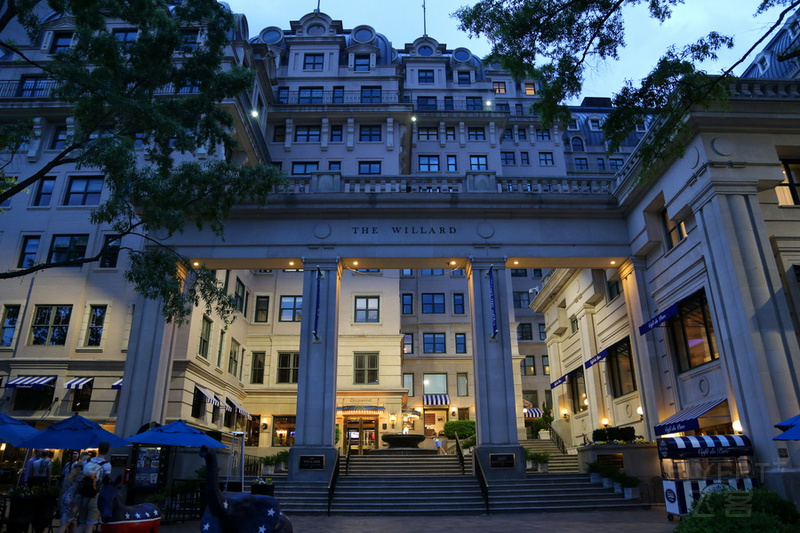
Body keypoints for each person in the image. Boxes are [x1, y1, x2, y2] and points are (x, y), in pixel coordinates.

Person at [75, 442, 111, 533]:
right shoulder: (106, 465)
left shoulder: (87, 461)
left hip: (83, 494)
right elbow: (106, 481)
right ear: (107, 451)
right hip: (95, 496)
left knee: (82, 523)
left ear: (98, 449)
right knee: (90, 525)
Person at [57, 453, 87, 533]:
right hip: (73, 500)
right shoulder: (81, 477)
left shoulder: (71, 474)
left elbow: (63, 487)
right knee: (66, 524)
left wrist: (59, 500)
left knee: (71, 523)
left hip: (65, 498)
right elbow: (78, 490)